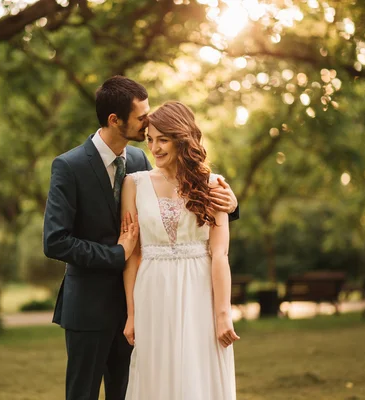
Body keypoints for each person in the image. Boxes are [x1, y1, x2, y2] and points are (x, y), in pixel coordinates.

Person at [43, 76, 238, 400]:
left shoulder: (137, 161)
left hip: (144, 301)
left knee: (132, 390)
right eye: (142, 118)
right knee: (83, 393)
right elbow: (56, 241)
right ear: (115, 120)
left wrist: (230, 206)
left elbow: (173, 201)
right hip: (90, 305)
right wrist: (117, 254)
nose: (149, 125)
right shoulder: (69, 165)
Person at [121, 101, 239, 400]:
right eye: (150, 139)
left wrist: (223, 313)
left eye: (163, 139)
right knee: (156, 372)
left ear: (182, 138)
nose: (155, 147)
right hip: (152, 290)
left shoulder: (212, 185)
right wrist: (131, 314)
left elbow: (220, 255)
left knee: (198, 371)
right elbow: (133, 254)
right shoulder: (133, 184)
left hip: (200, 290)